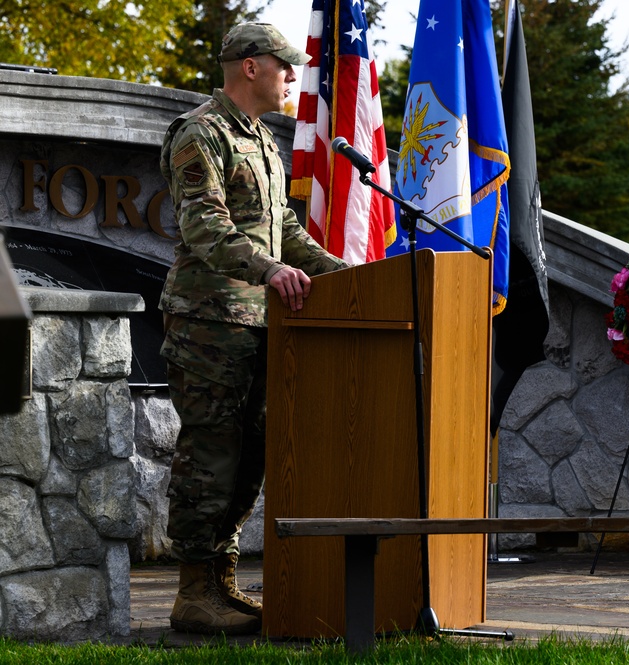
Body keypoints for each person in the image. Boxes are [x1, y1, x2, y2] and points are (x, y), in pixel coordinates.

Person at [158, 22, 349, 635]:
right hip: (208, 322)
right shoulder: (201, 133)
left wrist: (347, 275)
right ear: (248, 66)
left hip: (261, 324)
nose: (294, 76)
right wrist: (269, 269)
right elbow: (204, 225)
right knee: (211, 454)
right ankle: (193, 590)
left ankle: (223, 580)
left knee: (252, 460)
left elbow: (286, 232)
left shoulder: (264, 141)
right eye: (284, 65)